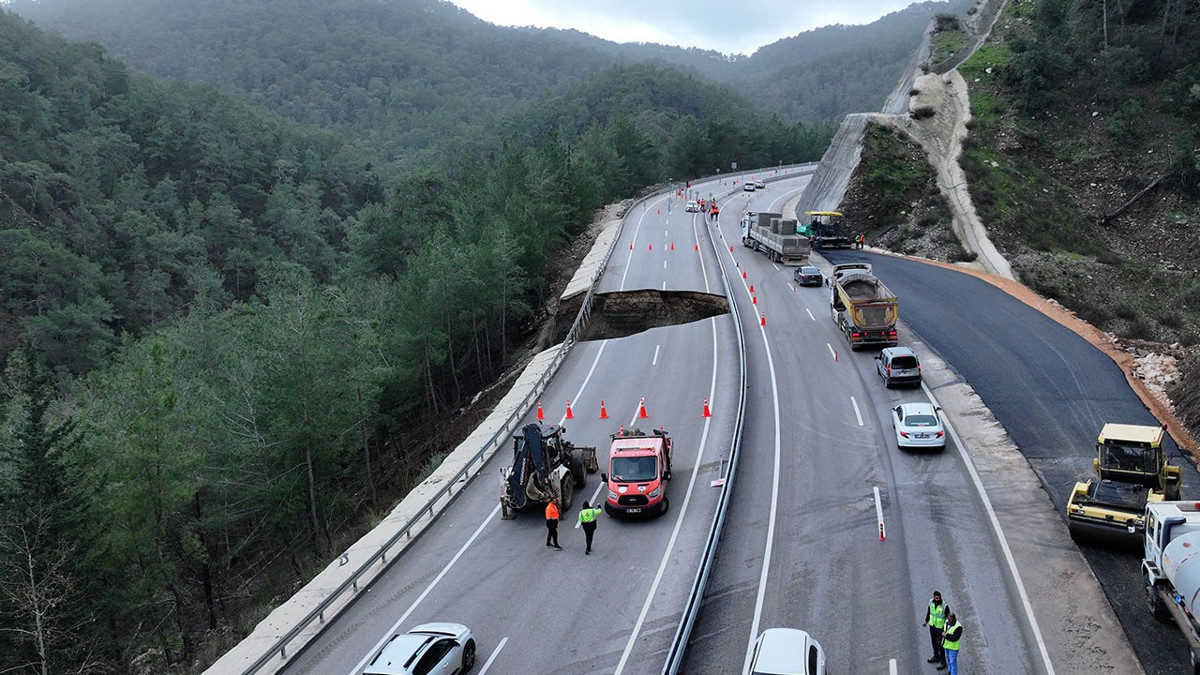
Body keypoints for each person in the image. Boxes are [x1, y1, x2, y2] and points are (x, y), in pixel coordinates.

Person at [922, 591, 949, 667]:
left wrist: (946, 629)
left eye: (939, 598)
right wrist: (926, 621)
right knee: (933, 642)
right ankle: (936, 656)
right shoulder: (931, 602)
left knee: (940, 644)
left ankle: (943, 661)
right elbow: (929, 612)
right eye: (936, 598)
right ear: (934, 597)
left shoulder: (944, 606)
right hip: (932, 625)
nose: (938, 599)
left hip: (940, 628)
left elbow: (948, 618)